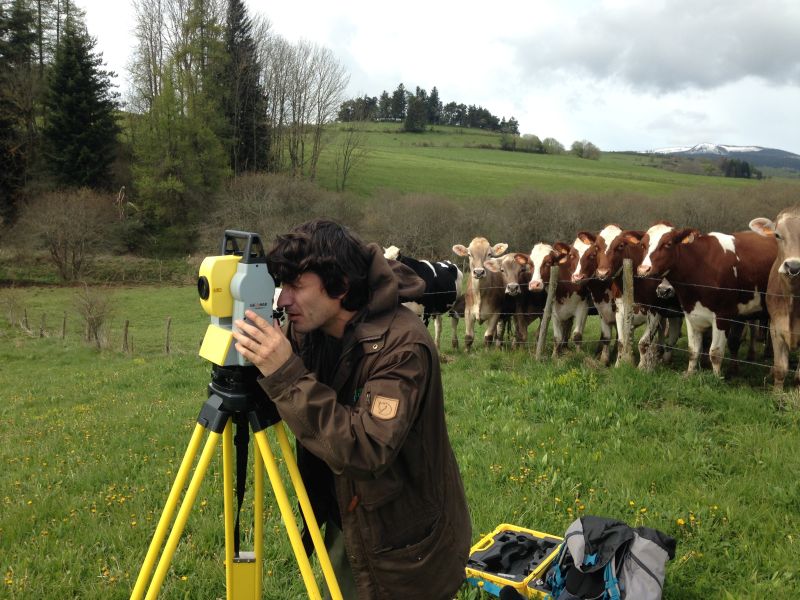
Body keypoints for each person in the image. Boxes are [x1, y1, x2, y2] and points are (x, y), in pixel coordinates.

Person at [231, 219, 471, 600]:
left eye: (295, 285)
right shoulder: (308, 327)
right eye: (282, 285)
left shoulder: (402, 346)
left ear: (341, 287)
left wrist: (285, 373)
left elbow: (366, 448)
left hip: (402, 541)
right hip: (349, 515)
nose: (282, 300)